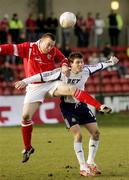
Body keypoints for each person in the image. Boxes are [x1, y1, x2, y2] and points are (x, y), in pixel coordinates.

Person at [0, 32, 110, 164]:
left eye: (52, 46)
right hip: (34, 87)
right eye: (48, 45)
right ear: (41, 41)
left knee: (71, 89)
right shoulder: (28, 48)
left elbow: (63, 59)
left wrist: (64, 65)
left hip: (51, 83)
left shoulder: (53, 51)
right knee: (25, 117)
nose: (50, 48)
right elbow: (9, 48)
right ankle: (28, 147)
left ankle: (96, 107)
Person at [15, 53, 119, 175]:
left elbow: (100, 65)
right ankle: (82, 167)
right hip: (67, 107)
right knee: (78, 136)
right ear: (70, 64)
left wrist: (111, 62)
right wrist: (25, 81)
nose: (81, 65)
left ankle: (90, 162)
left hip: (81, 106)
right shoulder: (61, 72)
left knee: (96, 133)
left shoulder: (86, 70)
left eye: (82, 62)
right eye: (77, 62)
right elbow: (42, 76)